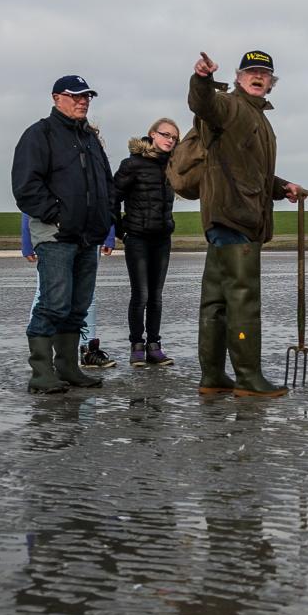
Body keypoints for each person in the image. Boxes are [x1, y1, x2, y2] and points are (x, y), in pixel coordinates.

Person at [188, 50, 307, 398]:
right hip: (233, 216)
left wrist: (280, 186)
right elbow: (202, 104)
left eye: (265, 73)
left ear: (272, 82)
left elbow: (252, 170)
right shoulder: (228, 105)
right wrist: (203, 78)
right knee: (243, 299)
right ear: (239, 77)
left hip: (228, 217)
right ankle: (248, 377)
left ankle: (212, 376)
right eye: (252, 71)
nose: (259, 77)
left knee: (216, 301)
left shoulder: (257, 118)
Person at [11, 74, 115, 394]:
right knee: (54, 304)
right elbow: (26, 187)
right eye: (76, 95)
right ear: (57, 98)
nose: (83, 101)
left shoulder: (89, 138)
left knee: (78, 306)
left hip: (88, 236)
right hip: (55, 235)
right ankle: (41, 373)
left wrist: (106, 220)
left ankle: (69, 368)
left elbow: (105, 185)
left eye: (87, 96)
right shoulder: (38, 134)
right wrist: (57, 216)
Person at [113, 118, 180, 368]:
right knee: (140, 294)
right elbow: (113, 197)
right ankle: (136, 346)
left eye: (174, 137)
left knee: (156, 296)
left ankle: (154, 345)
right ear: (152, 134)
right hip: (137, 238)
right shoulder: (132, 164)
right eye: (165, 135)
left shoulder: (173, 167)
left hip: (162, 238)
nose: (169, 140)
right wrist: (122, 232)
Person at [20, 214, 117, 368]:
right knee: (47, 295)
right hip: (51, 235)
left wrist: (109, 233)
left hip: (89, 234)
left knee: (87, 294)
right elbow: (30, 200)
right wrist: (27, 239)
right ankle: (42, 355)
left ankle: (88, 349)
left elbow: (104, 195)